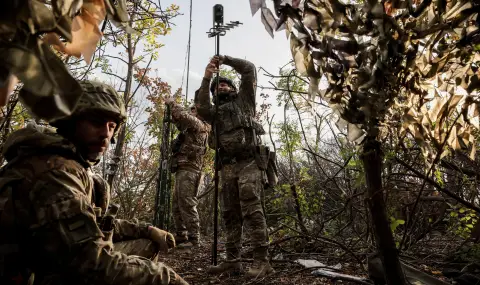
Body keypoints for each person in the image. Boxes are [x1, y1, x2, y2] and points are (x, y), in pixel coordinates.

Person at [0, 80, 188, 285]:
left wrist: (148, 230)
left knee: (146, 243)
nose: (106, 134)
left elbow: (92, 224)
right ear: (70, 122)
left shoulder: (60, 162)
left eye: (111, 126)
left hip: (42, 267)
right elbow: (94, 265)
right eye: (96, 122)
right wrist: (170, 280)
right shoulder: (55, 173)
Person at [195, 55, 274, 278]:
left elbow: (249, 69)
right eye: (217, 85)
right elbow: (200, 107)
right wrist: (207, 75)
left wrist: (225, 60)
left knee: (251, 206)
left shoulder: (245, 100)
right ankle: (233, 261)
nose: (221, 86)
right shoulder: (214, 113)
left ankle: (262, 261)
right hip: (227, 166)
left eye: (225, 83)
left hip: (249, 161)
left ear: (233, 88)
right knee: (230, 213)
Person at [164, 98, 210, 249]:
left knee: (187, 203)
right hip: (182, 168)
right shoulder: (191, 127)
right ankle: (181, 234)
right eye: (191, 110)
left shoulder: (200, 125)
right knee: (177, 204)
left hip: (190, 170)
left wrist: (172, 102)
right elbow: (180, 121)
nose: (191, 112)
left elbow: (182, 116)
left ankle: (194, 239)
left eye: (194, 110)